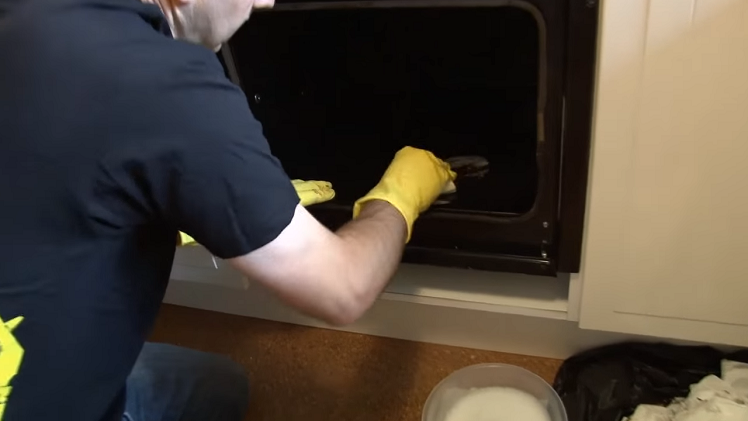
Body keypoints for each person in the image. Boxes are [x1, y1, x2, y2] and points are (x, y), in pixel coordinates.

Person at [0, 0, 455, 419]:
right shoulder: (161, 83)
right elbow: (344, 287)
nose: (265, 2)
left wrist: (171, 214)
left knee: (219, 385)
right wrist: (399, 196)